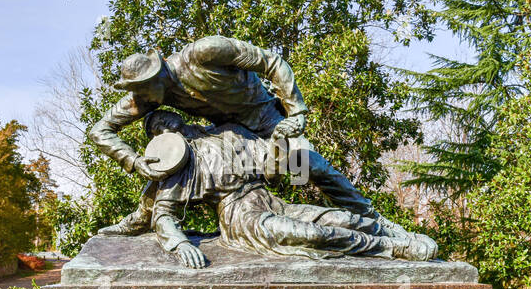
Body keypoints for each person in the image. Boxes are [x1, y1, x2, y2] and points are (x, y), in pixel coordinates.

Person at [89, 35, 384, 233]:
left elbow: (272, 63)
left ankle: (372, 219)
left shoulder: (205, 52)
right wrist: (133, 161)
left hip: (266, 120)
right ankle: (143, 217)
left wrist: (296, 113)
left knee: (309, 167)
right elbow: (100, 131)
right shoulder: (151, 95)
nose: (137, 97)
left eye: (139, 89)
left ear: (156, 76)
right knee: (180, 162)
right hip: (229, 137)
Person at [140, 110, 437, 268]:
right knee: (312, 235)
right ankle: (391, 248)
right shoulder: (181, 164)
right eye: (156, 129)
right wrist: (179, 244)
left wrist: (280, 142)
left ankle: (396, 234)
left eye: (165, 118)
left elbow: (272, 172)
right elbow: (163, 213)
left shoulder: (229, 131)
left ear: (179, 115)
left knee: (339, 218)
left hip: (270, 200)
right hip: (242, 217)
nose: (164, 126)